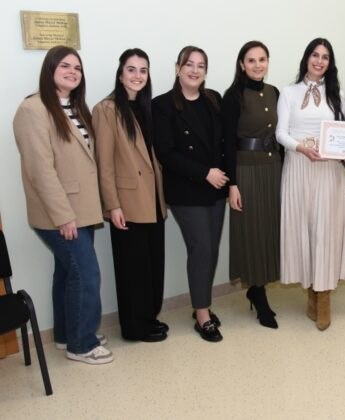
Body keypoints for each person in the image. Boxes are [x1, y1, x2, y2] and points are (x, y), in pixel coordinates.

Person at [13, 45, 112, 364]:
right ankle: (82, 345)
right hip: (60, 214)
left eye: (77, 67)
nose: (73, 72)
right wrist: (63, 217)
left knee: (68, 272)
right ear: (50, 69)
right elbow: (40, 170)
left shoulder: (75, 107)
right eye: (65, 66)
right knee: (86, 274)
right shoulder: (33, 109)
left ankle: (67, 334)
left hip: (83, 209)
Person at [93, 48, 168, 343]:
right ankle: (134, 328)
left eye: (143, 70)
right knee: (132, 269)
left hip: (153, 199)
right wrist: (112, 205)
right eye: (131, 69)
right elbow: (104, 163)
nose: (137, 76)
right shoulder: (106, 109)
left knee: (152, 266)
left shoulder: (147, 107)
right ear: (120, 74)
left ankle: (149, 318)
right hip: (127, 202)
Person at [153, 46, 227, 342]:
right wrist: (205, 173)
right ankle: (202, 315)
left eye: (201, 66)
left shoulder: (213, 99)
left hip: (216, 188)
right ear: (178, 68)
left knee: (212, 251)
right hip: (186, 189)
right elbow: (166, 153)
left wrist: (226, 180)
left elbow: (222, 144)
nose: (195, 70)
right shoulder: (162, 105)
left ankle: (202, 303)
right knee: (202, 249)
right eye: (189, 64)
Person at [276, 38, 345, 331]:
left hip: (329, 169)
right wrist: (301, 148)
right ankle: (311, 292)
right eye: (315, 55)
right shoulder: (288, 92)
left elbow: (343, 132)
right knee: (302, 229)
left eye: (325, 57)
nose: (319, 61)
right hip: (299, 166)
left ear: (330, 63)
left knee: (325, 232)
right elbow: (280, 133)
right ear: (306, 58)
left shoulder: (337, 94)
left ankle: (324, 297)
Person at [222, 41, 281, 329]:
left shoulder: (274, 92)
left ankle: (259, 288)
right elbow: (227, 143)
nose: (258, 65)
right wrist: (232, 184)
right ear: (242, 64)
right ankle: (258, 294)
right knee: (253, 230)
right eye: (251, 60)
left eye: (262, 59)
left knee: (270, 229)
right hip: (246, 171)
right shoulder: (233, 96)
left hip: (273, 169)